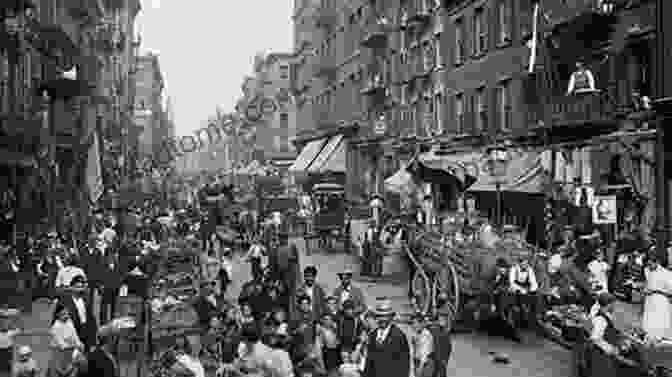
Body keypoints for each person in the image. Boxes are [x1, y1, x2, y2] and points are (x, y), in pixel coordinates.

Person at [363, 298, 410, 377]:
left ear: (391, 317)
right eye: (379, 316)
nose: (382, 319)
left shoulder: (398, 336)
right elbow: (369, 362)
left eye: (385, 316)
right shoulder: (373, 335)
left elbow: (404, 364)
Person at [54, 276, 97, 351]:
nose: (80, 289)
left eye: (81, 287)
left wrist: (93, 341)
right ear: (71, 287)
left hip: (86, 334)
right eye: (77, 287)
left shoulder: (86, 300)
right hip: (72, 335)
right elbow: (56, 320)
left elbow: (91, 320)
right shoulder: (64, 302)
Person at [641, 254, 672, 342]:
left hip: (661, 300)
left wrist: (656, 291)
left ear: (657, 262)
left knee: (659, 320)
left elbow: (670, 290)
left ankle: (659, 338)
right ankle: (649, 337)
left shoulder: (666, 273)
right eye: (648, 265)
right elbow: (647, 283)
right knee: (648, 319)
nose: (649, 267)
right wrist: (644, 288)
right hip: (649, 299)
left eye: (651, 265)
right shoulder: (647, 270)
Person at [47, 305, 84, 377]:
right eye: (63, 314)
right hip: (59, 355)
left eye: (67, 314)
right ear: (57, 315)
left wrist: (79, 344)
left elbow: (75, 337)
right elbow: (62, 345)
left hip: (71, 354)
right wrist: (75, 345)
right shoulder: (55, 327)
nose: (66, 316)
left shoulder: (70, 323)